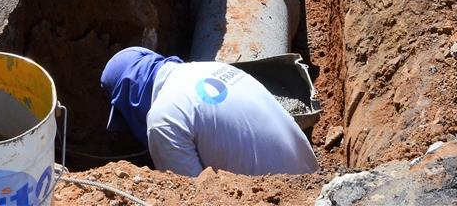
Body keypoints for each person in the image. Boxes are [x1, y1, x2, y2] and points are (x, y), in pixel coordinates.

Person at [100, 47, 319, 177]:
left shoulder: (162, 119)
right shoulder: (211, 67)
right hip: (312, 186)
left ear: (128, 98)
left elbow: (194, 197)